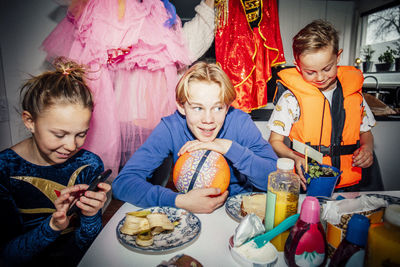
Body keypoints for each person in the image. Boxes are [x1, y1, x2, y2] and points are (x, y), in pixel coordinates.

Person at [41, 0, 216, 179]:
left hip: (155, 130)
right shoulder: (98, 14)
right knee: (106, 191)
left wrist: (209, 6)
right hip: (106, 131)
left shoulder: (156, 14)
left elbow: (188, 49)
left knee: (149, 190)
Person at [112, 61, 278, 213]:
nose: (208, 120)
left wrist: (229, 148)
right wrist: (178, 201)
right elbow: (123, 183)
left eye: (218, 108)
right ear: (181, 106)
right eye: (198, 108)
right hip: (189, 209)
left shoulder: (240, 123)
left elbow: (276, 181)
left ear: (227, 107)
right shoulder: (171, 127)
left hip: (239, 211)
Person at [0, 57, 111, 266]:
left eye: (81, 134)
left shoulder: (89, 164)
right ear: (30, 121)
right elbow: (7, 257)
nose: (71, 146)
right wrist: (51, 227)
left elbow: (87, 246)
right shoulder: (5, 169)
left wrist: (90, 216)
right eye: (59, 135)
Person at [268, 20, 381, 191]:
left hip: (348, 185)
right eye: (310, 72)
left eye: (327, 68)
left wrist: (367, 148)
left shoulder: (354, 96)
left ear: (338, 57)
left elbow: (366, 133)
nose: (320, 77)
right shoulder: (291, 99)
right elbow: (274, 142)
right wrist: (295, 157)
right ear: (298, 66)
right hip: (307, 181)